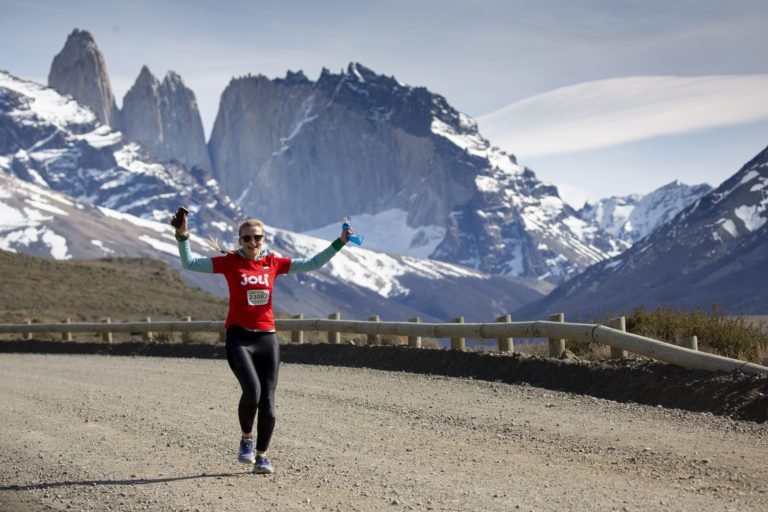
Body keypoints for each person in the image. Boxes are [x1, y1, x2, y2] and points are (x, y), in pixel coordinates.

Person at [171, 211, 353, 475]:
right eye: (247, 238)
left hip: (267, 337)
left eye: (257, 237)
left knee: (268, 399)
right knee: (252, 392)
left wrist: (340, 242)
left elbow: (313, 263)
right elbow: (189, 263)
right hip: (239, 337)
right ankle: (246, 438)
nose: (252, 242)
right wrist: (182, 234)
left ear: (264, 239)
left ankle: (262, 456)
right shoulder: (230, 262)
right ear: (240, 240)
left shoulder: (273, 263)